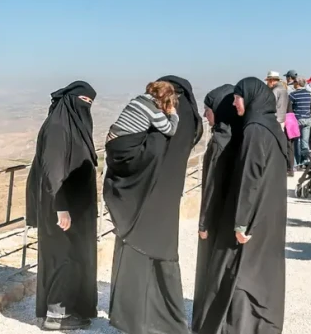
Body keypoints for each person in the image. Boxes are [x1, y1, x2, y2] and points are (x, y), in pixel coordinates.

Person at [104, 76, 203, 334]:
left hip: (143, 199)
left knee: (138, 250)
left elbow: (136, 158)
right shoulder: (186, 117)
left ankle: (133, 318)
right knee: (162, 251)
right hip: (166, 197)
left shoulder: (161, 119)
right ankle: (164, 318)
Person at [195, 77, 287, 334]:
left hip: (251, 217)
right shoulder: (269, 126)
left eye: (239, 96)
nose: (235, 102)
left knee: (239, 273)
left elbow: (250, 177)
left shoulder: (254, 130)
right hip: (269, 214)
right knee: (257, 272)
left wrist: (241, 221)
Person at [26, 81, 98, 331]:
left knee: (73, 257)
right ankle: (56, 316)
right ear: (69, 100)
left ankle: (70, 308)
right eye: (83, 101)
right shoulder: (58, 127)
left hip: (73, 207)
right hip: (60, 207)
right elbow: (52, 170)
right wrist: (61, 206)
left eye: (90, 103)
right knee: (62, 257)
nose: (86, 106)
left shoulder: (72, 126)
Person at [192, 85, 242, 333]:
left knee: (212, 271)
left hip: (217, 219)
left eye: (208, 109)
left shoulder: (220, 140)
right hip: (233, 217)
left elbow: (211, 188)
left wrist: (203, 224)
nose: (205, 114)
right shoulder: (242, 135)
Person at [106, 81, 179, 141]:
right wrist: (173, 114)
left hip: (112, 136)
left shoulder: (138, 100)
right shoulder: (154, 112)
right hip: (123, 143)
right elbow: (171, 131)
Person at [289, 77, 311, 165]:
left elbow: (289, 106)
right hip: (307, 119)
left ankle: (296, 162)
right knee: (305, 142)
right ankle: (305, 160)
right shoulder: (309, 94)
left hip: (298, 119)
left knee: (296, 142)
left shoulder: (293, 94)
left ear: (297, 84)